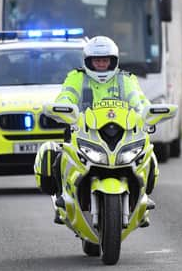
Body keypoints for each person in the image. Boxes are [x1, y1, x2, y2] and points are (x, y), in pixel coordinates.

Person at [51, 36, 157, 226]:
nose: (101, 64)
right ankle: (62, 199)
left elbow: (139, 100)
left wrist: (146, 114)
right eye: (97, 60)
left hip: (121, 133)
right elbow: (66, 94)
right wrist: (64, 107)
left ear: (113, 61)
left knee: (149, 155)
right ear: (88, 61)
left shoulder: (126, 79)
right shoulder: (77, 77)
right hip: (84, 131)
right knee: (58, 157)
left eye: (105, 60)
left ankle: (143, 196)